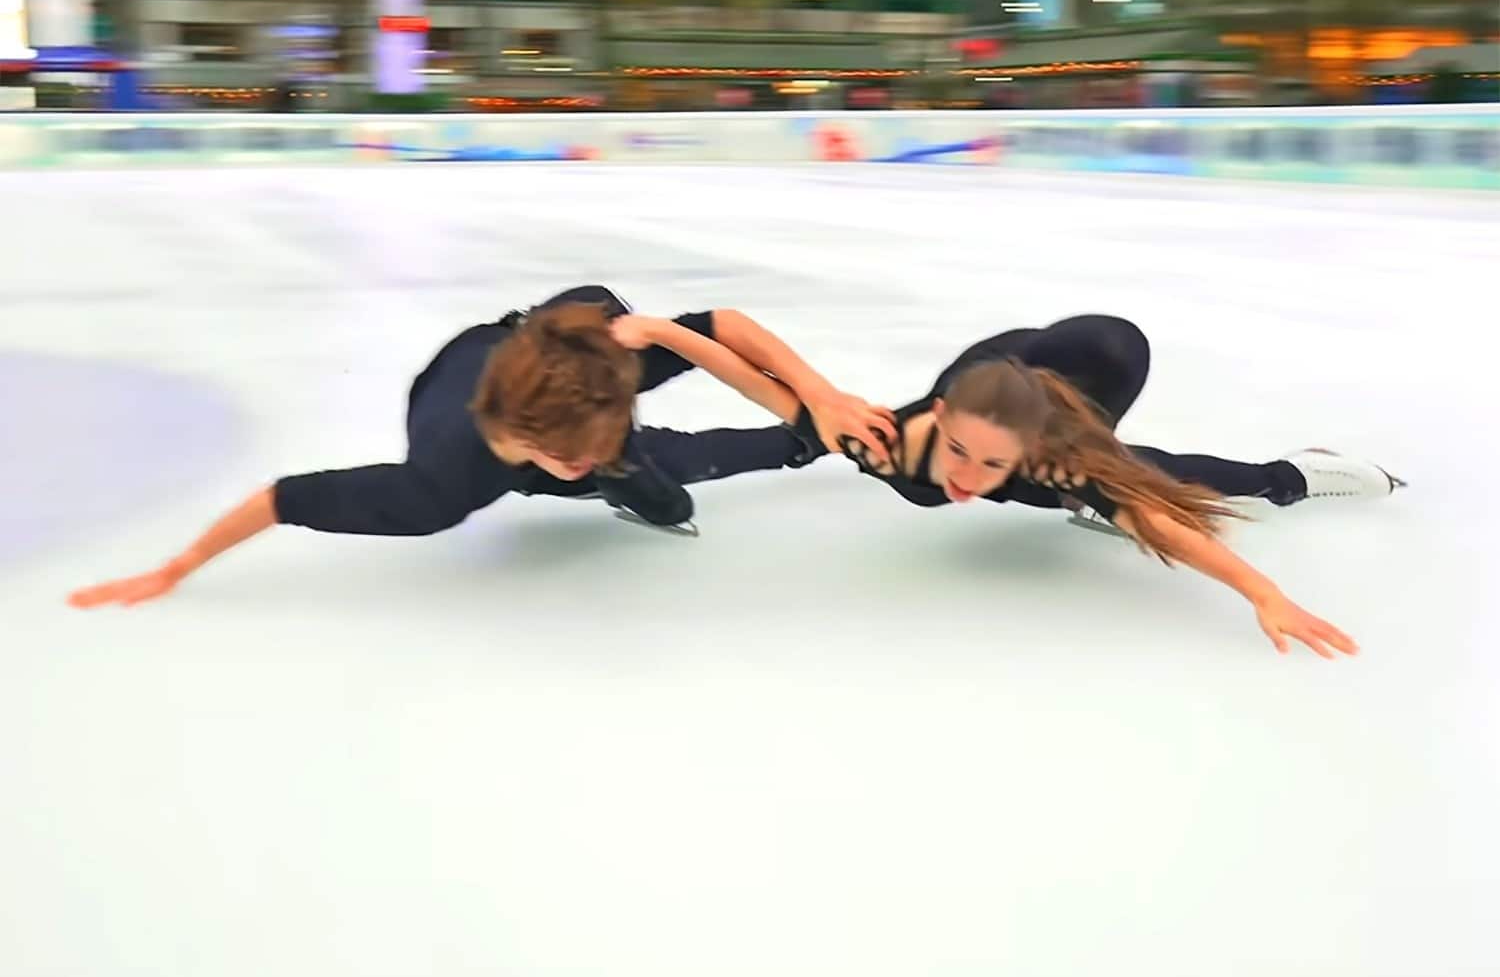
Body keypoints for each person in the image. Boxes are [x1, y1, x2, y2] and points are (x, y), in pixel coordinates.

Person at [67, 285, 887, 609]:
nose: (599, 454)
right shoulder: (437, 489)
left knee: (615, 335)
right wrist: (177, 568)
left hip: (540, 338)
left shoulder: (595, 364)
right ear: (533, 447)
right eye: (584, 456)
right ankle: (771, 450)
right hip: (466, 388)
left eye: (606, 441)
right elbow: (285, 499)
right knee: (669, 480)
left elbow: (727, 328)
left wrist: (822, 403)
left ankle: (794, 444)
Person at [781, 314, 1402, 659]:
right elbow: (762, 383)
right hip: (1013, 369)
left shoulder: (1054, 458)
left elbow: (1156, 519)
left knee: (1135, 472)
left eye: (991, 466)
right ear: (942, 417)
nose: (967, 480)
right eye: (962, 455)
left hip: (1100, 364)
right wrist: (817, 395)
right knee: (1095, 476)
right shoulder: (879, 439)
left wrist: (1262, 591)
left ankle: (1290, 477)